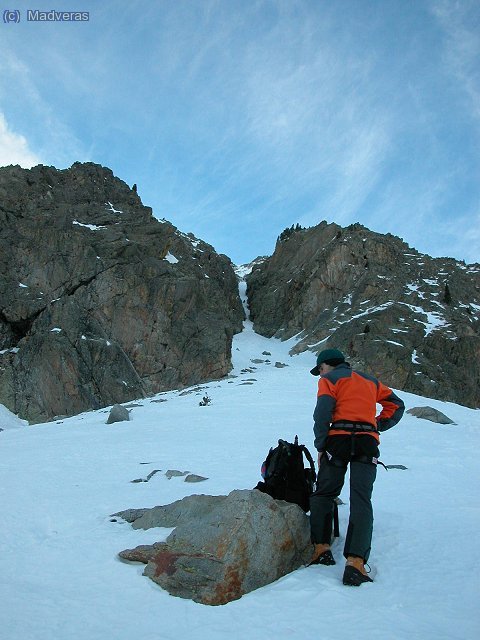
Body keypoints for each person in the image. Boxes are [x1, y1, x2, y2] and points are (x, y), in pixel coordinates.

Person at [308, 348, 404, 586]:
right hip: (366, 443)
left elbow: (322, 415)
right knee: (361, 499)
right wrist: (376, 425)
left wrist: (321, 445)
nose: (320, 375)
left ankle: (321, 549)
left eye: (320, 370)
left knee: (324, 493)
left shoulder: (329, 380)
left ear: (327, 365)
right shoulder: (370, 381)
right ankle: (356, 563)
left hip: (338, 440)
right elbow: (396, 405)